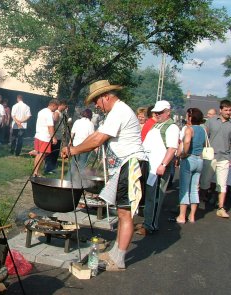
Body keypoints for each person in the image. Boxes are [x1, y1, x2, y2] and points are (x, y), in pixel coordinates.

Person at [61, 80, 148, 271]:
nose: (97, 106)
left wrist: (74, 150)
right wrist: (73, 147)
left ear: (105, 96)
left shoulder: (119, 111)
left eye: (97, 102)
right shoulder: (115, 113)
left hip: (131, 165)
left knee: (125, 214)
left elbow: (98, 140)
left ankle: (119, 259)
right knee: (122, 212)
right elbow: (96, 136)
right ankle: (116, 252)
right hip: (125, 166)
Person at [137, 100, 180, 235]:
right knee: (150, 196)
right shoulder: (157, 125)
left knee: (155, 197)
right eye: (156, 112)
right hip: (150, 166)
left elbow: (172, 148)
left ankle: (151, 225)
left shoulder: (171, 127)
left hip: (158, 167)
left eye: (160, 112)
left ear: (168, 112)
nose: (157, 114)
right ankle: (147, 221)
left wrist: (163, 164)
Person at [199, 100, 231, 218]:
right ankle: (200, 201)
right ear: (221, 110)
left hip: (224, 157)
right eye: (226, 110)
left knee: (222, 184)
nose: (228, 112)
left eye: (230, 110)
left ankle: (221, 207)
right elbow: (204, 137)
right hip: (210, 156)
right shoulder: (211, 122)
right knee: (205, 182)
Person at [175, 108, 206, 223]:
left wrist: (184, 154)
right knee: (194, 189)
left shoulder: (189, 129)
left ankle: (182, 216)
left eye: (187, 115)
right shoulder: (203, 130)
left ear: (191, 117)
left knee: (184, 188)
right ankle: (192, 216)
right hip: (199, 159)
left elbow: (187, 142)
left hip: (189, 159)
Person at [66, 108, 95, 180]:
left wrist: (70, 143)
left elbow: (72, 134)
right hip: (85, 147)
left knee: (73, 164)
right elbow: (91, 136)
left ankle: (68, 180)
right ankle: (80, 181)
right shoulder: (90, 124)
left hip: (75, 146)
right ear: (90, 116)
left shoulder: (77, 122)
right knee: (82, 165)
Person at [33, 99, 58, 177]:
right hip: (44, 137)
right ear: (53, 105)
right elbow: (50, 126)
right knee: (42, 155)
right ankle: (36, 172)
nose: (56, 109)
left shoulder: (41, 111)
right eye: (56, 107)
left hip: (38, 135)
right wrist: (53, 137)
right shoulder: (48, 113)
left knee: (39, 154)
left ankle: (36, 171)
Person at [44, 100, 68, 174]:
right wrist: (53, 136)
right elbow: (53, 125)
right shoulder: (57, 113)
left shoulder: (62, 113)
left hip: (59, 135)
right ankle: (48, 168)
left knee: (56, 153)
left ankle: (52, 167)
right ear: (62, 105)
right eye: (65, 106)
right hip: (56, 136)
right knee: (52, 152)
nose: (66, 107)